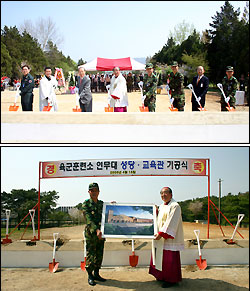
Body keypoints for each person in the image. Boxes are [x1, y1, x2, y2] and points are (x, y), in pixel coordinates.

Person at [149, 187, 184, 288]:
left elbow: (171, 222)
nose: (163, 195)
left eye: (166, 193)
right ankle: (161, 276)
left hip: (169, 238)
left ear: (171, 194)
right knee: (159, 257)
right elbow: (159, 218)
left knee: (169, 260)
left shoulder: (175, 206)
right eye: (162, 193)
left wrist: (162, 234)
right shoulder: (161, 206)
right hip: (160, 238)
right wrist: (154, 211)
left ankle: (171, 280)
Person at [82, 183, 106, 286]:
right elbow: (89, 220)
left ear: (99, 192)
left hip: (101, 234)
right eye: (92, 190)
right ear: (89, 192)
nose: (94, 192)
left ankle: (96, 273)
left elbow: (108, 212)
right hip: (91, 235)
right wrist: (96, 230)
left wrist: (113, 206)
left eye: (96, 190)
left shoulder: (102, 204)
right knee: (91, 255)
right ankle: (90, 276)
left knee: (99, 254)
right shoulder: (86, 204)